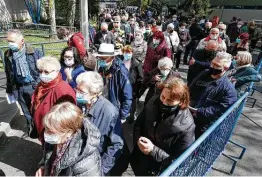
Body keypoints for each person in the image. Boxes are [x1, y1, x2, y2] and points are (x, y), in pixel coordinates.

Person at [130, 78, 196, 176]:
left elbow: (181, 160)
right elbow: (139, 124)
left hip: (159, 170)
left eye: (170, 100)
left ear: (181, 102)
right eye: (163, 97)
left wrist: (153, 150)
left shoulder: (187, 125)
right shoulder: (153, 101)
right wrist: (138, 141)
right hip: (140, 162)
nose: (164, 102)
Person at [75, 71, 124, 175]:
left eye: (81, 91)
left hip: (96, 165)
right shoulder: (79, 104)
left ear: (95, 93)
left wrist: (101, 170)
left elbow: (116, 145)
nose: (77, 93)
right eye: (77, 89)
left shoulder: (109, 112)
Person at [35, 102, 102, 176]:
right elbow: (48, 157)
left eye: (51, 132)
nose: (46, 134)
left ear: (69, 133)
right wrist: (43, 167)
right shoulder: (56, 141)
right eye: (46, 128)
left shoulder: (86, 162)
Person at [189, 52, 238, 138]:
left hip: (202, 124)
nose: (212, 66)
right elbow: (191, 87)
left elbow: (222, 108)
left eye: (216, 65)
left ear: (225, 68)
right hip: (188, 115)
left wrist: (200, 112)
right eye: (212, 63)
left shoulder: (228, 89)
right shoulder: (205, 73)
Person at [4, 29, 43, 135]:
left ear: (22, 41)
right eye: (8, 41)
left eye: (12, 41)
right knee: (26, 111)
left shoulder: (34, 52)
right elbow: (8, 72)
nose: (9, 44)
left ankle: (42, 130)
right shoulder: (8, 54)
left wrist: (38, 83)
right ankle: (32, 130)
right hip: (19, 87)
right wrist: (9, 89)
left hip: (34, 86)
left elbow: (43, 70)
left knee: (38, 110)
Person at [31, 56, 76, 142]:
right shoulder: (41, 85)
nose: (42, 74)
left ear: (57, 71)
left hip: (55, 133)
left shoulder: (63, 89)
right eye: (40, 71)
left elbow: (68, 117)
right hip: (43, 128)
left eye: (46, 72)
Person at [94, 43, 132, 121]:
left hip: (114, 109)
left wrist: (123, 115)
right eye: (99, 58)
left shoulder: (121, 71)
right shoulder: (102, 67)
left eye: (103, 58)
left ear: (112, 57)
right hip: (103, 104)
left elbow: (127, 95)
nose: (101, 60)